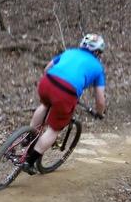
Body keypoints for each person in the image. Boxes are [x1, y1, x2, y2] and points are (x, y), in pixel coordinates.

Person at [24, 34, 107, 170]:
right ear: (98, 52)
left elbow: (47, 68)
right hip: (66, 92)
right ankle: (29, 162)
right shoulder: (98, 68)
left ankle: (28, 137)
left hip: (47, 82)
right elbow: (100, 98)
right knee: (54, 129)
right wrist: (100, 112)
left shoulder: (70, 52)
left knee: (45, 105)